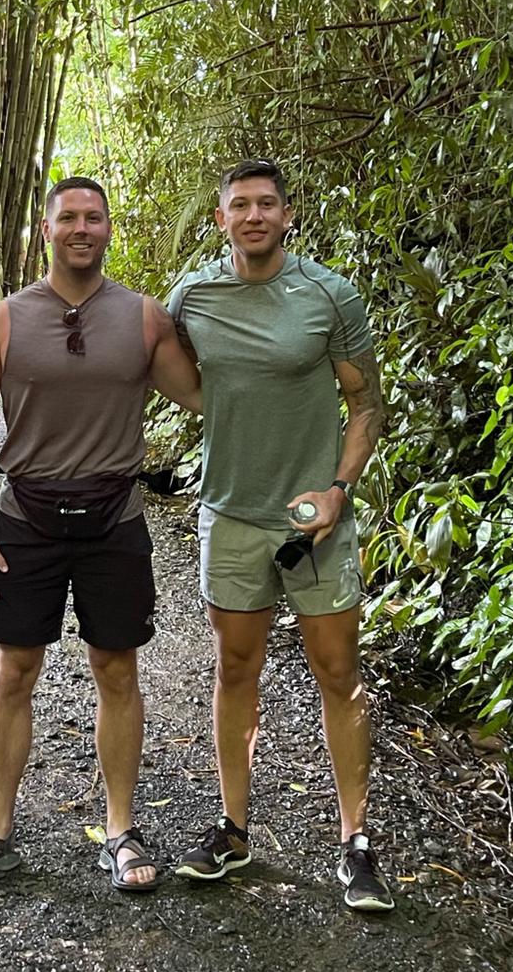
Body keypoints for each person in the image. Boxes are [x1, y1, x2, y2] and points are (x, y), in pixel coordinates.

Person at [0, 176, 201, 896]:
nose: (81, 228)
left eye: (94, 217)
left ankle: (120, 828)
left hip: (114, 519)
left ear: (109, 229)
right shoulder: (3, 320)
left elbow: (207, 395)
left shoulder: (145, 319)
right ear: (46, 229)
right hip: (26, 519)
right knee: (14, 671)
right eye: (69, 218)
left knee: (117, 671)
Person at [166, 159, 393, 911]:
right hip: (230, 512)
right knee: (236, 667)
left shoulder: (329, 294)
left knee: (338, 671)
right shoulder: (192, 297)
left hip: (314, 518)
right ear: (221, 218)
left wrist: (338, 490)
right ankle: (233, 828)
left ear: (288, 215)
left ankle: (354, 842)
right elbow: (167, 372)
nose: (254, 214)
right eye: (240, 205)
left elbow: (366, 405)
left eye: (267, 203)